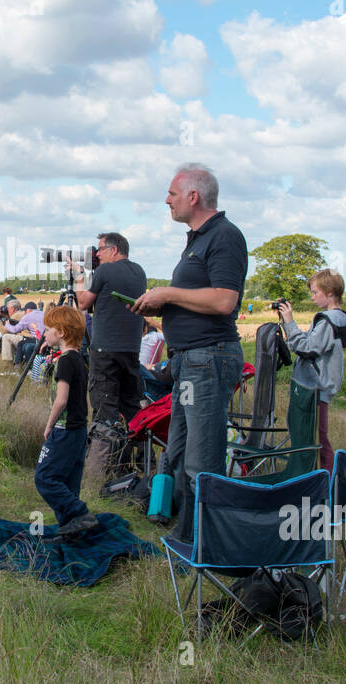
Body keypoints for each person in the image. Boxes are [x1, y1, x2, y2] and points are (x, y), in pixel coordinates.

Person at [133, 164, 247, 541]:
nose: (167, 200)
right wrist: (162, 307)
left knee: (202, 460)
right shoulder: (197, 239)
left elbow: (224, 300)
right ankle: (184, 535)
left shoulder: (225, 236)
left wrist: (167, 294)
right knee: (179, 451)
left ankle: (205, 545)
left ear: (193, 196)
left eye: (171, 193)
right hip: (188, 361)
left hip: (208, 359)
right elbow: (199, 299)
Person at [76, 232, 147, 478]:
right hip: (131, 349)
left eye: (101, 249)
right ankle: (140, 463)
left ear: (114, 250)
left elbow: (83, 303)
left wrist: (78, 276)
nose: (97, 254)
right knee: (132, 407)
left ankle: (102, 472)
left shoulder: (104, 273)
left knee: (104, 408)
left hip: (105, 350)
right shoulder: (139, 272)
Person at [33, 305, 99, 537]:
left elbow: (61, 400)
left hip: (64, 429)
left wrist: (49, 425)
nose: (45, 333)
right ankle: (71, 529)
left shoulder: (64, 362)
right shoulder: (79, 359)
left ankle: (79, 513)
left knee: (45, 477)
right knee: (69, 481)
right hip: (79, 430)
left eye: (49, 329)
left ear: (61, 332)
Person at [277, 270, 346, 472]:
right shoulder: (339, 318)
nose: (312, 297)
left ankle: (324, 482)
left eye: (315, 292)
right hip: (320, 387)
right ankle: (322, 478)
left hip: (316, 388)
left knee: (316, 439)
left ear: (329, 293)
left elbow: (308, 348)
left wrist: (289, 322)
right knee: (317, 436)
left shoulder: (328, 320)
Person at [0, 301, 45, 365]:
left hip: (38, 340)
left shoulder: (27, 316)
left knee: (21, 344)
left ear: (27, 310)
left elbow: (15, 330)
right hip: (46, 340)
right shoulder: (44, 313)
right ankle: (19, 365)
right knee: (22, 343)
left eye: (25, 311)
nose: (24, 313)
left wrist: (7, 325)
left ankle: (18, 366)